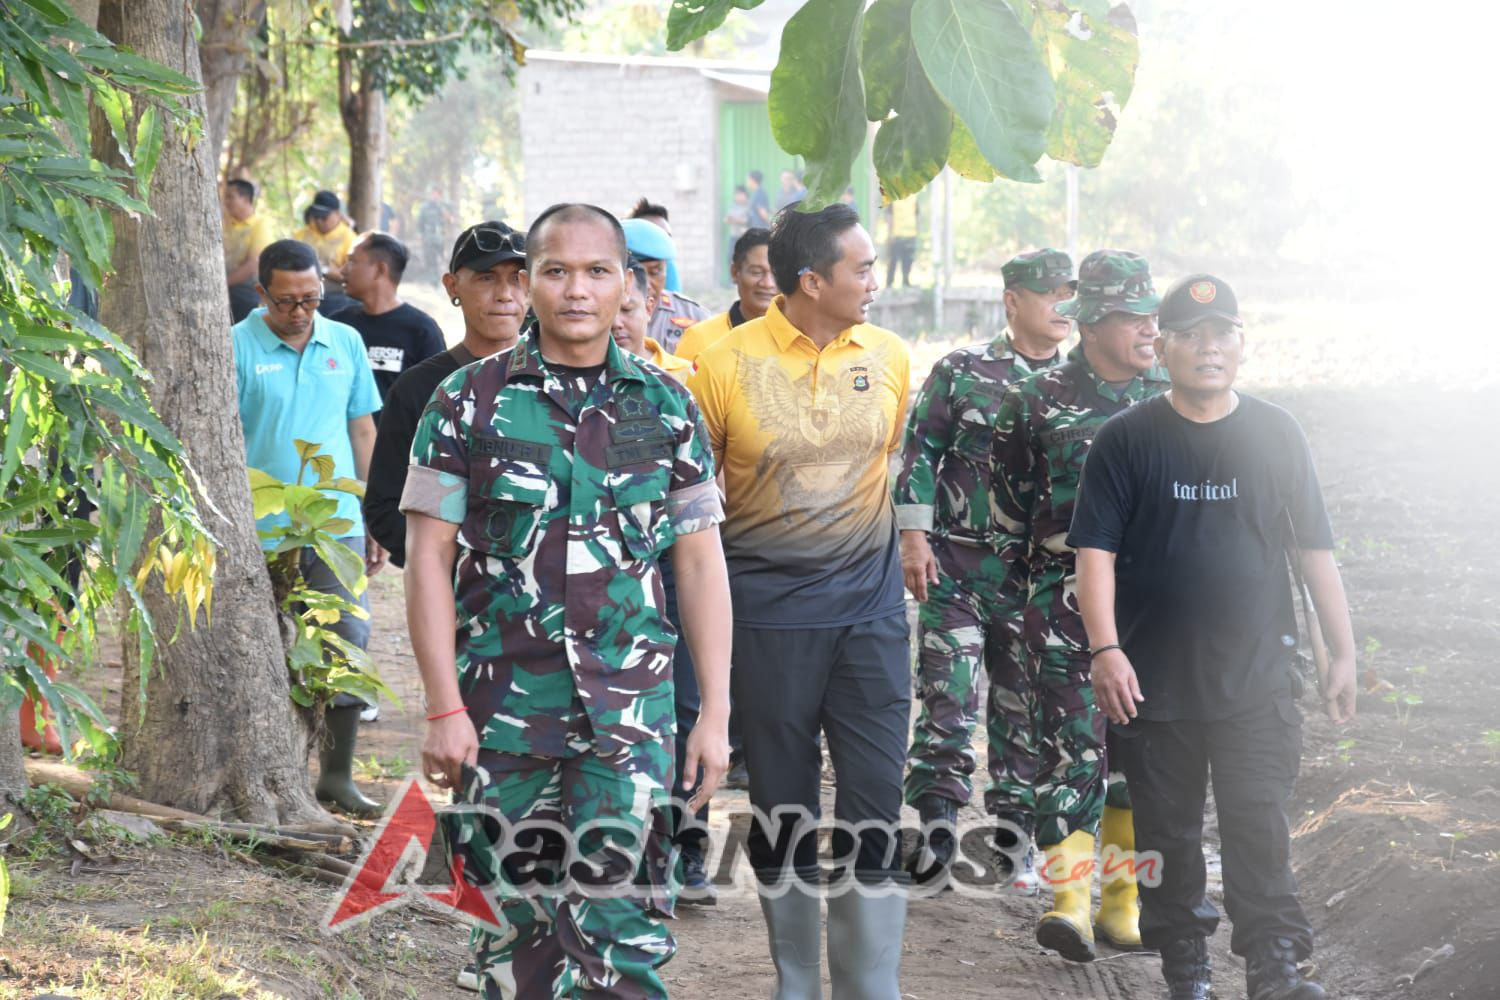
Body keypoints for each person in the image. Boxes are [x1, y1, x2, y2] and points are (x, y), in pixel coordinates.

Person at [401, 203, 732, 998]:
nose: (575, 290)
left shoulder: (667, 406)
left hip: (631, 722)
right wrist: (444, 706)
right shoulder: (465, 401)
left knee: (626, 939)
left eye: (596, 272)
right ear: (529, 281)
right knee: (515, 941)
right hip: (504, 717)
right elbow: (426, 559)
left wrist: (715, 714)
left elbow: (699, 564)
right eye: (555, 271)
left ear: (629, 283)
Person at [1072, 274, 1355, 1000]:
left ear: (1240, 344)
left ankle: (1275, 967)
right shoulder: (1125, 440)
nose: (1207, 348)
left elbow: (1312, 549)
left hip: (1258, 679)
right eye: (1191, 336)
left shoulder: (1276, 432)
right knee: (1169, 835)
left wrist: (1343, 650)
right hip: (1153, 685)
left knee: (1258, 827)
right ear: (1161, 346)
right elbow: (1094, 553)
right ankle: (1187, 971)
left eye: (1221, 333)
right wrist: (1106, 650)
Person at [688, 202, 912, 997]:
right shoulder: (719, 361)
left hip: (871, 617)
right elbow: (692, 501)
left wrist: (910, 540)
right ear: (811, 281)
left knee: (877, 796)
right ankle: (797, 981)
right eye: (863, 268)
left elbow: (891, 462)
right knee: (782, 802)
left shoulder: (887, 354)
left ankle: (868, 985)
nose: (876, 282)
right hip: (767, 619)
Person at [988, 249, 1168, 962]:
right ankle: (1068, 903)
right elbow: (1007, 507)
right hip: (1060, 604)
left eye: (1152, 315)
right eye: (1132, 316)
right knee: (1069, 753)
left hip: (1152, 608)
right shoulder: (1033, 400)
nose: (1149, 330)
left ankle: (1120, 907)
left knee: (1135, 758)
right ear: (1091, 322)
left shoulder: (1170, 397)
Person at [893, 249, 1077, 891]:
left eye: (1070, 294)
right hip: (957, 569)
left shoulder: (1077, 384)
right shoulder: (964, 370)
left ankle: (1013, 840)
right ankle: (938, 830)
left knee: (1022, 712)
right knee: (947, 699)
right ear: (1012, 301)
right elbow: (921, 451)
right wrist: (914, 538)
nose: (1064, 307)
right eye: (1050, 293)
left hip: (1038, 581)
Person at [231, 239, 385, 816]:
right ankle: (274, 771)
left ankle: (337, 775)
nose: (300, 312)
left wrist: (372, 512)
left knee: (346, 639)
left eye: (312, 299)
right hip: (259, 528)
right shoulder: (235, 345)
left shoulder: (344, 340)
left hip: (333, 523)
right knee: (269, 650)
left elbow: (362, 430)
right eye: (287, 301)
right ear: (262, 293)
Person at [364, 221, 528, 571]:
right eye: (486, 277)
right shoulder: (419, 389)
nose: (504, 293)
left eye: (517, 278)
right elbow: (384, 507)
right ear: (452, 286)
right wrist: (455, 566)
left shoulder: (555, 382)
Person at [333, 232, 445, 422]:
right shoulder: (338, 325)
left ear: (379, 270)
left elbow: (437, 402)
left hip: (398, 448)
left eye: (352, 261)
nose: (342, 270)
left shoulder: (421, 331)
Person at [674, 228, 777, 363]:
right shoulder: (700, 339)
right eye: (756, 272)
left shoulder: (799, 339)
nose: (768, 283)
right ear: (735, 272)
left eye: (776, 273)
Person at [621, 218, 710, 355]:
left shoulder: (695, 316)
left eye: (655, 272)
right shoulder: (601, 317)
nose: (647, 285)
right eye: (637, 275)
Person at [293, 190, 357, 315]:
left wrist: (325, 270)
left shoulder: (350, 238)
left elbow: (352, 278)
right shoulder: (302, 235)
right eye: (315, 216)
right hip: (302, 294)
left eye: (324, 217)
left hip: (336, 296)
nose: (319, 221)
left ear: (338, 214)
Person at [222, 178, 275, 323]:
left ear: (245, 199)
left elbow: (254, 264)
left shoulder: (260, 224)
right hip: (226, 288)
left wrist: (223, 283)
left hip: (247, 291)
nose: (226, 201)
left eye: (230, 197)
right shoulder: (226, 224)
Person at [884, 197, 919, 288]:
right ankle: (889, 283)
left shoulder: (913, 199)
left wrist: (917, 231)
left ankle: (906, 281)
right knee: (893, 260)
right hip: (896, 235)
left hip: (910, 235)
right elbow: (889, 216)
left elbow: (917, 215)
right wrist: (890, 232)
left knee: (908, 260)